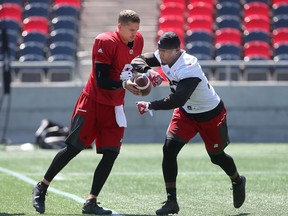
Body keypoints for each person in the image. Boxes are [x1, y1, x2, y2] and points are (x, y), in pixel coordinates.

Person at [32, 10, 162, 215]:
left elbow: (132, 66)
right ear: (119, 26)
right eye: (130, 30)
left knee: (111, 153)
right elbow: (102, 80)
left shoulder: (137, 40)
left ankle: (91, 201)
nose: (134, 34)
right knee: (73, 148)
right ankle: (42, 186)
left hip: (114, 105)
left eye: (136, 30)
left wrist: (147, 74)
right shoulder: (104, 41)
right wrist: (125, 84)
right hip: (93, 102)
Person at [131, 31, 246, 215]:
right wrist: (148, 71)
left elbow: (178, 99)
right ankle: (171, 201)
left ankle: (237, 180)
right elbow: (137, 60)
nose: (162, 55)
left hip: (210, 114)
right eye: (160, 50)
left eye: (166, 51)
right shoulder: (163, 56)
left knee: (216, 156)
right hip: (186, 114)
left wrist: (150, 105)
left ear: (178, 50)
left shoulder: (189, 66)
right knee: (169, 149)